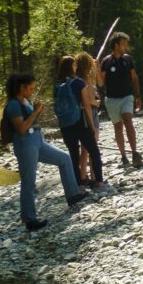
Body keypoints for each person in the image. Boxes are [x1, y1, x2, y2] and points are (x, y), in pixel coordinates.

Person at [4, 72, 87, 230]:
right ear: (22, 87)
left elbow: (31, 121)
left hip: (38, 141)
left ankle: (72, 195)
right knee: (29, 181)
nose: (32, 91)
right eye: (30, 88)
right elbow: (21, 128)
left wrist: (37, 111)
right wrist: (35, 112)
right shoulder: (13, 105)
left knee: (64, 158)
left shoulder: (25, 101)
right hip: (25, 143)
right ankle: (29, 219)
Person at [55, 55, 105, 191]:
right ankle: (99, 181)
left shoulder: (58, 85)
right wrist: (92, 126)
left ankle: (80, 184)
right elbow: (87, 105)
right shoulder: (79, 83)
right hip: (80, 123)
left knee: (73, 154)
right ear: (72, 66)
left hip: (66, 125)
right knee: (93, 150)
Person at [99, 32, 143, 168]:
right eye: (123, 43)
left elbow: (134, 78)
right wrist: (96, 69)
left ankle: (135, 153)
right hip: (111, 99)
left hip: (126, 96)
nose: (126, 46)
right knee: (118, 127)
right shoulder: (106, 61)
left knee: (128, 121)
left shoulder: (127, 59)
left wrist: (138, 96)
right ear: (116, 45)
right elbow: (100, 83)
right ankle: (123, 156)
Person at [74, 53, 103, 185]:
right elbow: (91, 100)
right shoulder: (86, 79)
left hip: (80, 116)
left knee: (84, 149)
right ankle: (94, 176)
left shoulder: (75, 79)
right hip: (91, 113)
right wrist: (97, 103)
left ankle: (82, 177)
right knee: (93, 148)